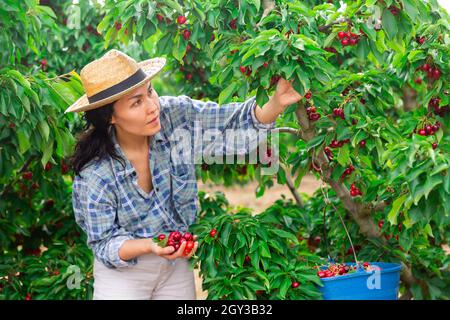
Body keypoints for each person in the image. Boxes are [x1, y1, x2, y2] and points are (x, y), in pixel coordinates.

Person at [66, 49, 302, 300]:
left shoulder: (174, 116)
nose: (152, 106)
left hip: (175, 265)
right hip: (124, 273)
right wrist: (151, 245)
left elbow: (229, 124)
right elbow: (104, 243)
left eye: (150, 92)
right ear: (110, 117)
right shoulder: (95, 174)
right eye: (136, 102)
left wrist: (276, 103)